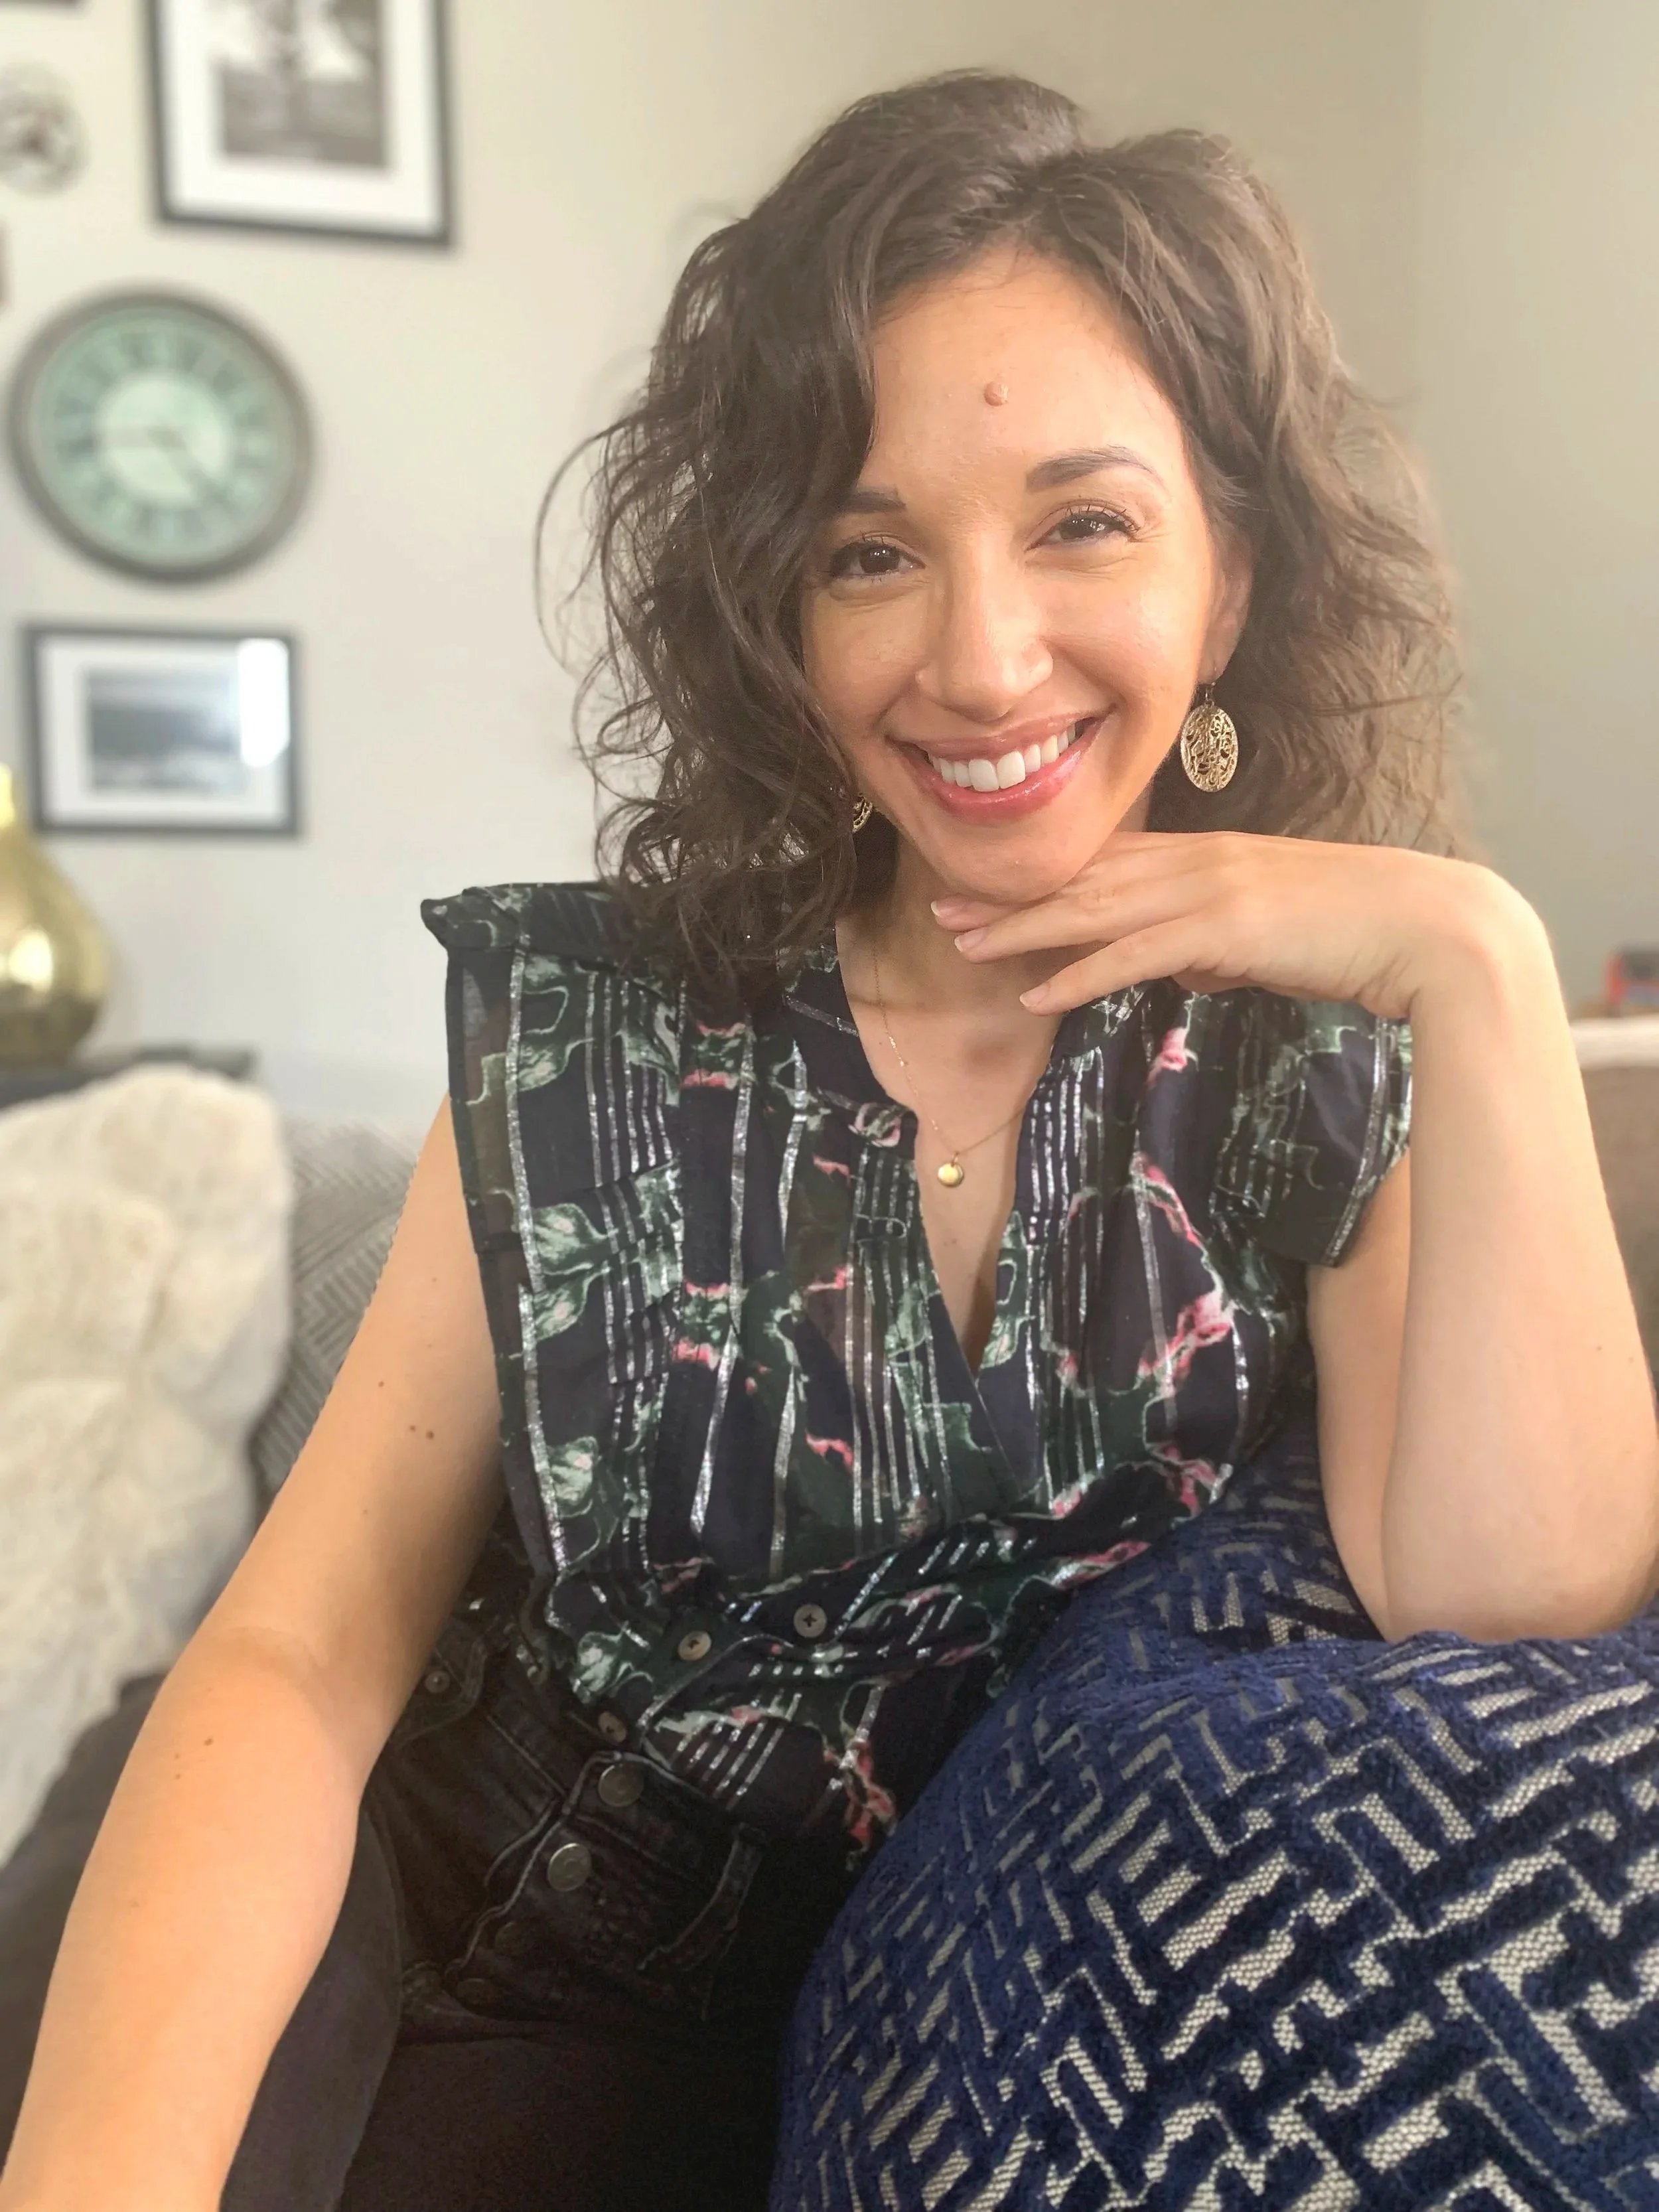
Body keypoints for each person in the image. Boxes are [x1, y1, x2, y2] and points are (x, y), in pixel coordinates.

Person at [4, 70, 1656, 2212]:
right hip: (359, 1913)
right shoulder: (590, 1027)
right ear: (777, 619)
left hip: (872, 2039)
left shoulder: (1309, 1063)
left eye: (1083, 520)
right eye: (869, 551)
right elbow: (297, 1659)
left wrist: (1479, 956)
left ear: (1228, 577)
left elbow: (1506, 1594)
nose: (980, 658)